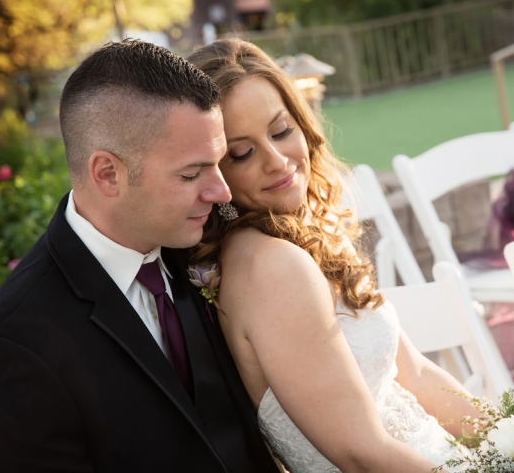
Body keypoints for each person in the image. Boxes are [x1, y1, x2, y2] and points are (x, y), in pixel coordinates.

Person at [0, 40, 281, 473]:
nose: (221, 191)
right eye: (191, 173)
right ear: (107, 174)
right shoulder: (13, 348)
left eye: (220, 162)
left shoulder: (205, 239)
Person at [187, 38, 482, 473]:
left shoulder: (308, 236)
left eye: (281, 130)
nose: (277, 161)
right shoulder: (268, 267)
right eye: (242, 153)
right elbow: (363, 455)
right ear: (216, 171)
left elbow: (415, 374)